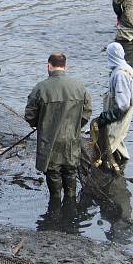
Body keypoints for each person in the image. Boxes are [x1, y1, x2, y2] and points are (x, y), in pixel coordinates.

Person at [25, 52, 92, 205]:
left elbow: (29, 115)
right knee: (70, 171)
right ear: (65, 66)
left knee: (53, 172)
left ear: (49, 66)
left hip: (49, 140)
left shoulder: (41, 88)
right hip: (71, 139)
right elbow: (87, 111)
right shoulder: (80, 87)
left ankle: (54, 206)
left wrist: (40, 125)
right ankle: (70, 206)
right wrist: (76, 126)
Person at [95, 42, 133, 167]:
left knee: (111, 140)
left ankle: (113, 169)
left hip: (119, 115)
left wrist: (107, 117)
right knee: (118, 140)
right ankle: (122, 163)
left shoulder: (120, 75)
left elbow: (123, 105)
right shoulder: (127, 68)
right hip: (123, 113)